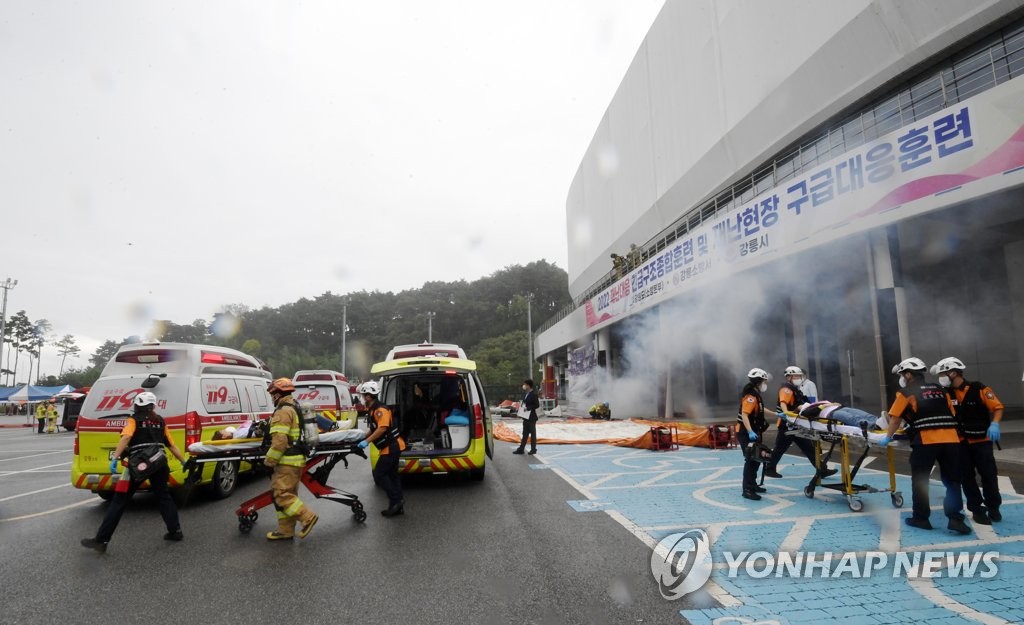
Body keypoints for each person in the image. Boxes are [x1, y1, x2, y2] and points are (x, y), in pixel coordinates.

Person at [80, 392, 187, 553]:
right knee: (164, 496)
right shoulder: (160, 421)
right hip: (159, 463)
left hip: (138, 466)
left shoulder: (133, 420)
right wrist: (182, 461)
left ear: (137, 405)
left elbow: (125, 438)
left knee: (119, 501)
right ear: (153, 406)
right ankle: (175, 532)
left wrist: (115, 458)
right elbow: (171, 445)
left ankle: (101, 540)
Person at [879, 357, 970, 534]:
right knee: (952, 481)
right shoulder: (940, 389)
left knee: (921, 480)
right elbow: (951, 413)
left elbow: (895, 418)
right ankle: (956, 519)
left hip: (926, 441)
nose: (902, 378)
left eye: (903, 375)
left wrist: (888, 436)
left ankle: (921, 518)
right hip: (951, 440)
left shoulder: (905, 392)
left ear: (908, 374)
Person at [932, 356, 1004, 525]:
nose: (940, 377)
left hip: (982, 441)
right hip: (960, 442)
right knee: (967, 478)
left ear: (953, 373)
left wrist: (995, 424)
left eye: (942, 373)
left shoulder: (979, 388)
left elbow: (997, 407)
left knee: (989, 475)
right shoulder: (945, 394)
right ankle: (977, 509)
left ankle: (993, 507)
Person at [263, 377, 318, 540]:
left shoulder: (283, 411)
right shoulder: (294, 406)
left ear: (278, 394)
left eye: (273, 394)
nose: (272, 398)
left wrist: (268, 462)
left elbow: (280, 442)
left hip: (286, 461)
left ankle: (307, 517)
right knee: (288, 495)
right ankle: (285, 530)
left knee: (281, 495)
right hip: (295, 460)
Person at [765, 366, 837, 479]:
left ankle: (822, 470)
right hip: (787, 425)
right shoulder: (786, 389)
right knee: (780, 448)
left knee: (808, 448)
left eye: (800, 376)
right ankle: (769, 469)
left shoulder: (795, 389)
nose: (799, 378)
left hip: (796, 424)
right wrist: (786, 414)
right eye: (796, 376)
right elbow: (783, 403)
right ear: (789, 377)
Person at [356, 380, 406, 517]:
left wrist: (366, 441)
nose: (362, 398)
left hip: (391, 446)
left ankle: (395, 502)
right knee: (392, 475)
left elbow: (382, 428)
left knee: (379, 474)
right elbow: (373, 429)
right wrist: (361, 438)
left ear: (368, 396)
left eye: (363, 395)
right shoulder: (373, 409)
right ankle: (398, 503)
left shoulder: (380, 410)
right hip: (390, 446)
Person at [737, 368, 771, 501]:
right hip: (746, 432)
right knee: (751, 459)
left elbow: (761, 409)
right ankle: (747, 489)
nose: (765, 384)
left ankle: (753, 484)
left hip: (754, 431)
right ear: (759, 381)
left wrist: (776, 414)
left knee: (757, 459)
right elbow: (745, 414)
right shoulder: (750, 396)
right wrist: (750, 431)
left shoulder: (755, 394)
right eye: (764, 381)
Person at [513, 379, 540, 455]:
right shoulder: (526, 394)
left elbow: (537, 405)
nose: (524, 386)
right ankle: (521, 448)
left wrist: (528, 408)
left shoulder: (533, 394)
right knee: (525, 433)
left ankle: (533, 449)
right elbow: (524, 404)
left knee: (532, 433)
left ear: (528, 385)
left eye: (525, 384)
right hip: (525, 417)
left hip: (531, 417)